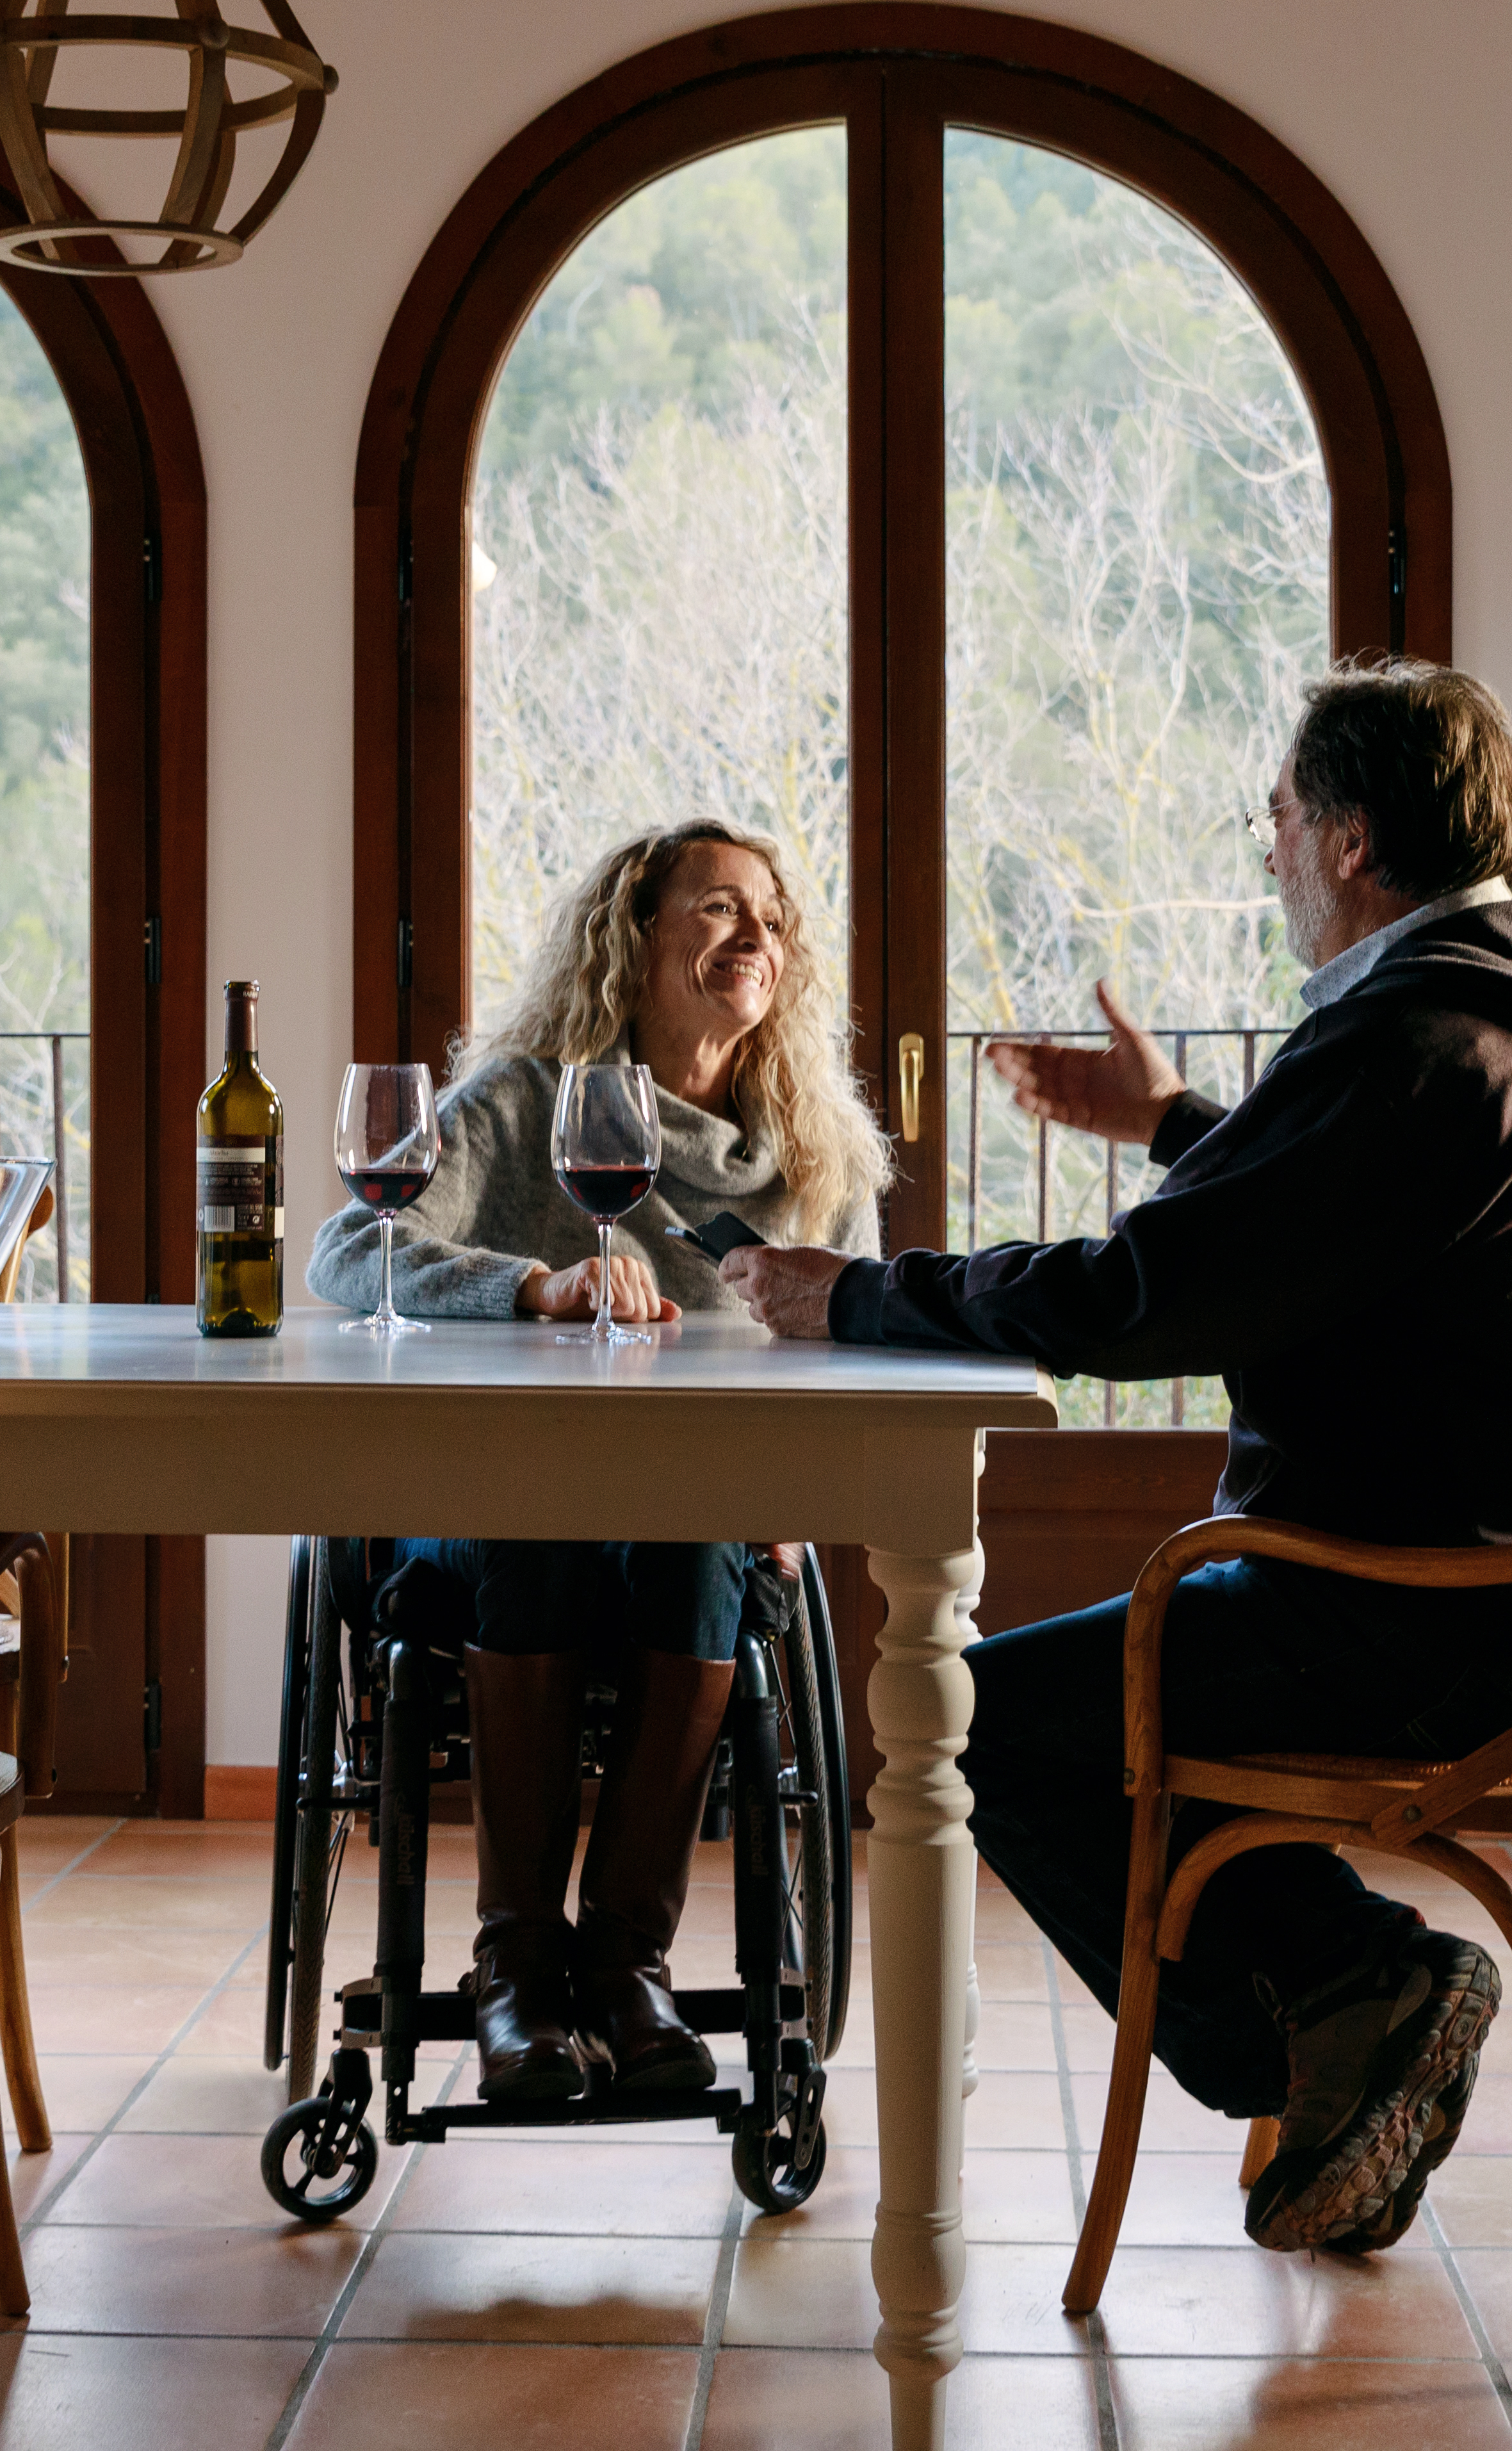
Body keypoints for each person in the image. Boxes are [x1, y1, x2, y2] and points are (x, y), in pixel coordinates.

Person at [724, 658, 1512, 2259]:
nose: (1271, 853)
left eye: (1283, 819)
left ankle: (1349, 2002)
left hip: (1421, 1616)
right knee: (1077, 1703)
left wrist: (856, 1295)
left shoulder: (1411, 1037)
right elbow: (1337, 1216)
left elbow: (1143, 1295)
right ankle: (1344, 2040)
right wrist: (1177, 1125)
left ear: (1356, 838)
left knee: (979, 1719)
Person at [304, 817, 887, 2104]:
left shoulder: (816, 1155)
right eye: (720, 907)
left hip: (706, 1527)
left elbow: (856, 1347)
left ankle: (627, 1968)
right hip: (487, 1520)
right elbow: (350, 1254)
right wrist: (532, 1286)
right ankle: (518, 1973)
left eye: (773, 918)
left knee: (692, 1536)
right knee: (542, 1521)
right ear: (632, 936)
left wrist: (797, 1488)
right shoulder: (523, 1102)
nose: (756, 935)